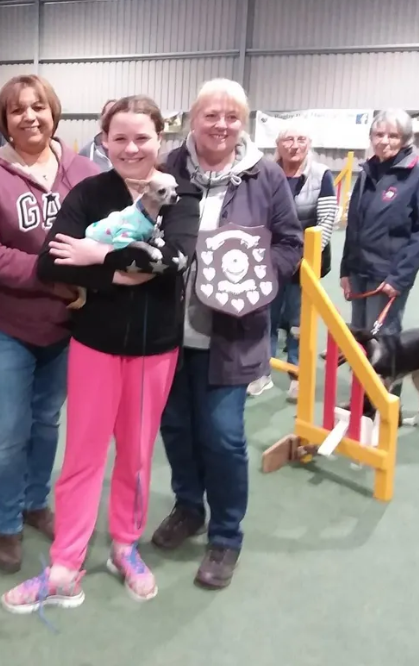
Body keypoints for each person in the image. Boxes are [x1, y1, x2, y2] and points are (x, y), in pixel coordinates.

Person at [0, 95, 201, 613]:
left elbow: (174, 259)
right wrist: (119, 272)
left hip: (155, 351)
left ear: (161, 140)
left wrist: (96, 253)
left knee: (136, 455)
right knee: (82, 457)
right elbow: (50, 263)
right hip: (95, 346)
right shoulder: (89, 193)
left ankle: (125, 547)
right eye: (120, 138)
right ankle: (65, 566)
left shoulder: (181, 195)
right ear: (104, 141)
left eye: (142, 138)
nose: (131, 148)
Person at [151, 78, 303, 590]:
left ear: (245, 122)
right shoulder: (167, 168)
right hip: (169, 331)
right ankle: (188, 508)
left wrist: (256, 279)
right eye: (211, 115)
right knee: (176, 428)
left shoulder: (266, 176)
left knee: (223, 436)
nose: (221, 125)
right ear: (192, 119)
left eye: (232, 116)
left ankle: (226, 535)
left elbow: (289, 244)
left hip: (233, 333)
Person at [0, 74, 98, 573]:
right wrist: (47, 276)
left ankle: (36, 502)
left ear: (53, 112)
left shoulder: (83, 172)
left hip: (67, 325)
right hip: (9, 325)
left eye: (38, 106)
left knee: (46, 420)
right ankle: (6, 522)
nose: (30, 117)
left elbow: (105, 236)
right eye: (17, 110)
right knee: (8, 429)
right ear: (4, 120)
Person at [340, 109, 419, 380]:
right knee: (360, 342)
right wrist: (346, 270)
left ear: (405, 139)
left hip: (387, 276)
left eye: (393, 136)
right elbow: (354, 226)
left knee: (384, 345)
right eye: (379, 134)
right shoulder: (367, 171)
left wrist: (399, 277)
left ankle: (382, 401)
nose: (384, 141)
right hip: (359, 271)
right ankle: (361, 398)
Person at [249, 122, 337, 400]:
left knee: (298, 323)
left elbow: (326, 221)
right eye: (288, 140)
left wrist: (302, 256)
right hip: (270, 261)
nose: (294, 145)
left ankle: (298, 376)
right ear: (278, 145)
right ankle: (261, 373)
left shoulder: (321, 174)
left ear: (308, 144)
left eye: (301, 139)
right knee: (266, 318)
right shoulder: (266, 172)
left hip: (305, 264)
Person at [78, 99, 116, 172]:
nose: (112, 119)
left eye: (115, 114)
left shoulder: (128, 151)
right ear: (101, 118)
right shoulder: (87, 151)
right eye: (109, 114)